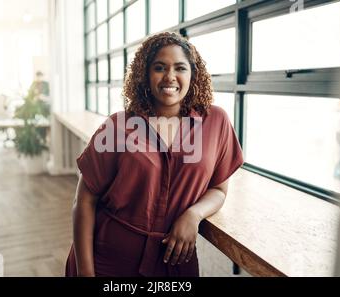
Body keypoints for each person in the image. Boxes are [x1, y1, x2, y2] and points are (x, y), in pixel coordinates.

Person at [65, 32, 244, 277]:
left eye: (180, 68)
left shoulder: (216, 122)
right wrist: (86, 274)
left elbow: (219, 190)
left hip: (176, 263)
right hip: (110, 261)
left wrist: (194, 214)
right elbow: (84, 201)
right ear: (145, 75)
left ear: (193, 74)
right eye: (160, 67)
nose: (170, 77)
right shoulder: (117, 127)